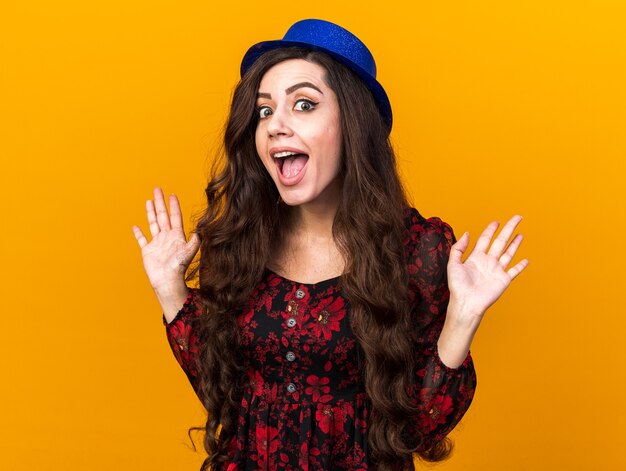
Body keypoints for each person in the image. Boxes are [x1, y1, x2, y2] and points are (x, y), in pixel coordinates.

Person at [132, 19, 528, 471]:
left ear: (353, 125)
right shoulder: (242, 240)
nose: (276, 125)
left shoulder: (419, 249)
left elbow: (419, 430)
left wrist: (463, 316)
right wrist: (170, 291)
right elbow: (223, 395)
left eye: (303, 104)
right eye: (264, 111)